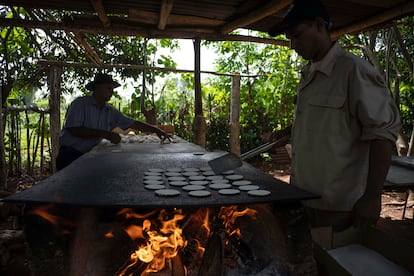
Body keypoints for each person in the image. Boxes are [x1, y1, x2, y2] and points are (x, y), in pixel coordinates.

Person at [268, 0, 401, 237]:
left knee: (334, 264)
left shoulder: (353, 71)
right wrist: (290, 131)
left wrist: (372, 197)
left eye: (297, 35)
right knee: (307, 264)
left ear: (320, 25)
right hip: (302, 196)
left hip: (339, 206)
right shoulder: (309, 73)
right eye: (290, 38)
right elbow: (326, 120)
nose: (292, 44)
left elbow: (382, 135)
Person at [56, 73, 171, 171]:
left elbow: (133, 123)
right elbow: (75, 130)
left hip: (90, 155)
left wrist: (156, 130)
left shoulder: (110, 111)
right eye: (108, 88)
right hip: (70, 155)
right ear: (97, 88)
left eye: (112, 89)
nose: (111, 92)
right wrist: (106, 134)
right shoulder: (80, 104)